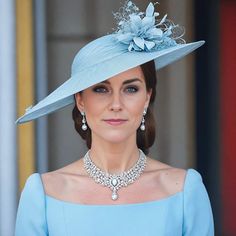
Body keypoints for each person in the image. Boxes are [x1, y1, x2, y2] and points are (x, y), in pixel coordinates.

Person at [15, 1, 214, 235]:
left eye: (130, 89)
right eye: (101, 89)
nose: (116, 104)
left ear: (147, 97)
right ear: (80, 100)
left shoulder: (185, 190)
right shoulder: (42, 194)